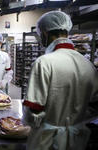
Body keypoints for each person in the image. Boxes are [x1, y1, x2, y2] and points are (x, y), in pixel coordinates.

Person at [22, 11, 98, 150]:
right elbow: (94, 107)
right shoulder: (88, 65)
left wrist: (28, 123)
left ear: (45, 33)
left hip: (46, 140)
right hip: (77, 140)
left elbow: (33, 110)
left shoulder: (44, 62)